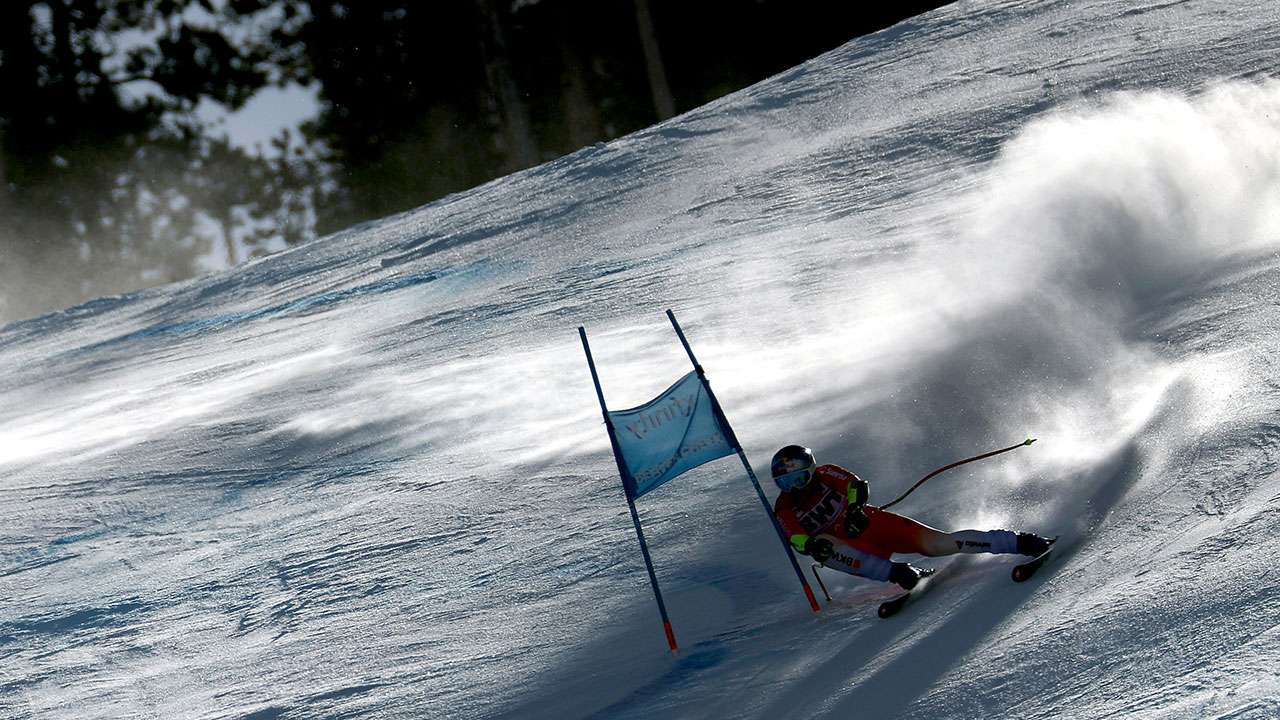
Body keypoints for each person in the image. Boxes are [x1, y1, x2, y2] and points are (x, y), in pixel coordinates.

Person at [770, 444, 1053, 590]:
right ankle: (899, 574)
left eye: (797, 479)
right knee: (823, 546)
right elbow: (794, 537)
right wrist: (808, 545)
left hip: (872, 526)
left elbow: (855, 485)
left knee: (938, 545)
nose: (794, 488)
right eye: (785, 483)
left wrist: (855, 509)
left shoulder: (825, 473)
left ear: (810, 470)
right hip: (853, 550)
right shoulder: (784, 506)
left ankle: (1020, 542)